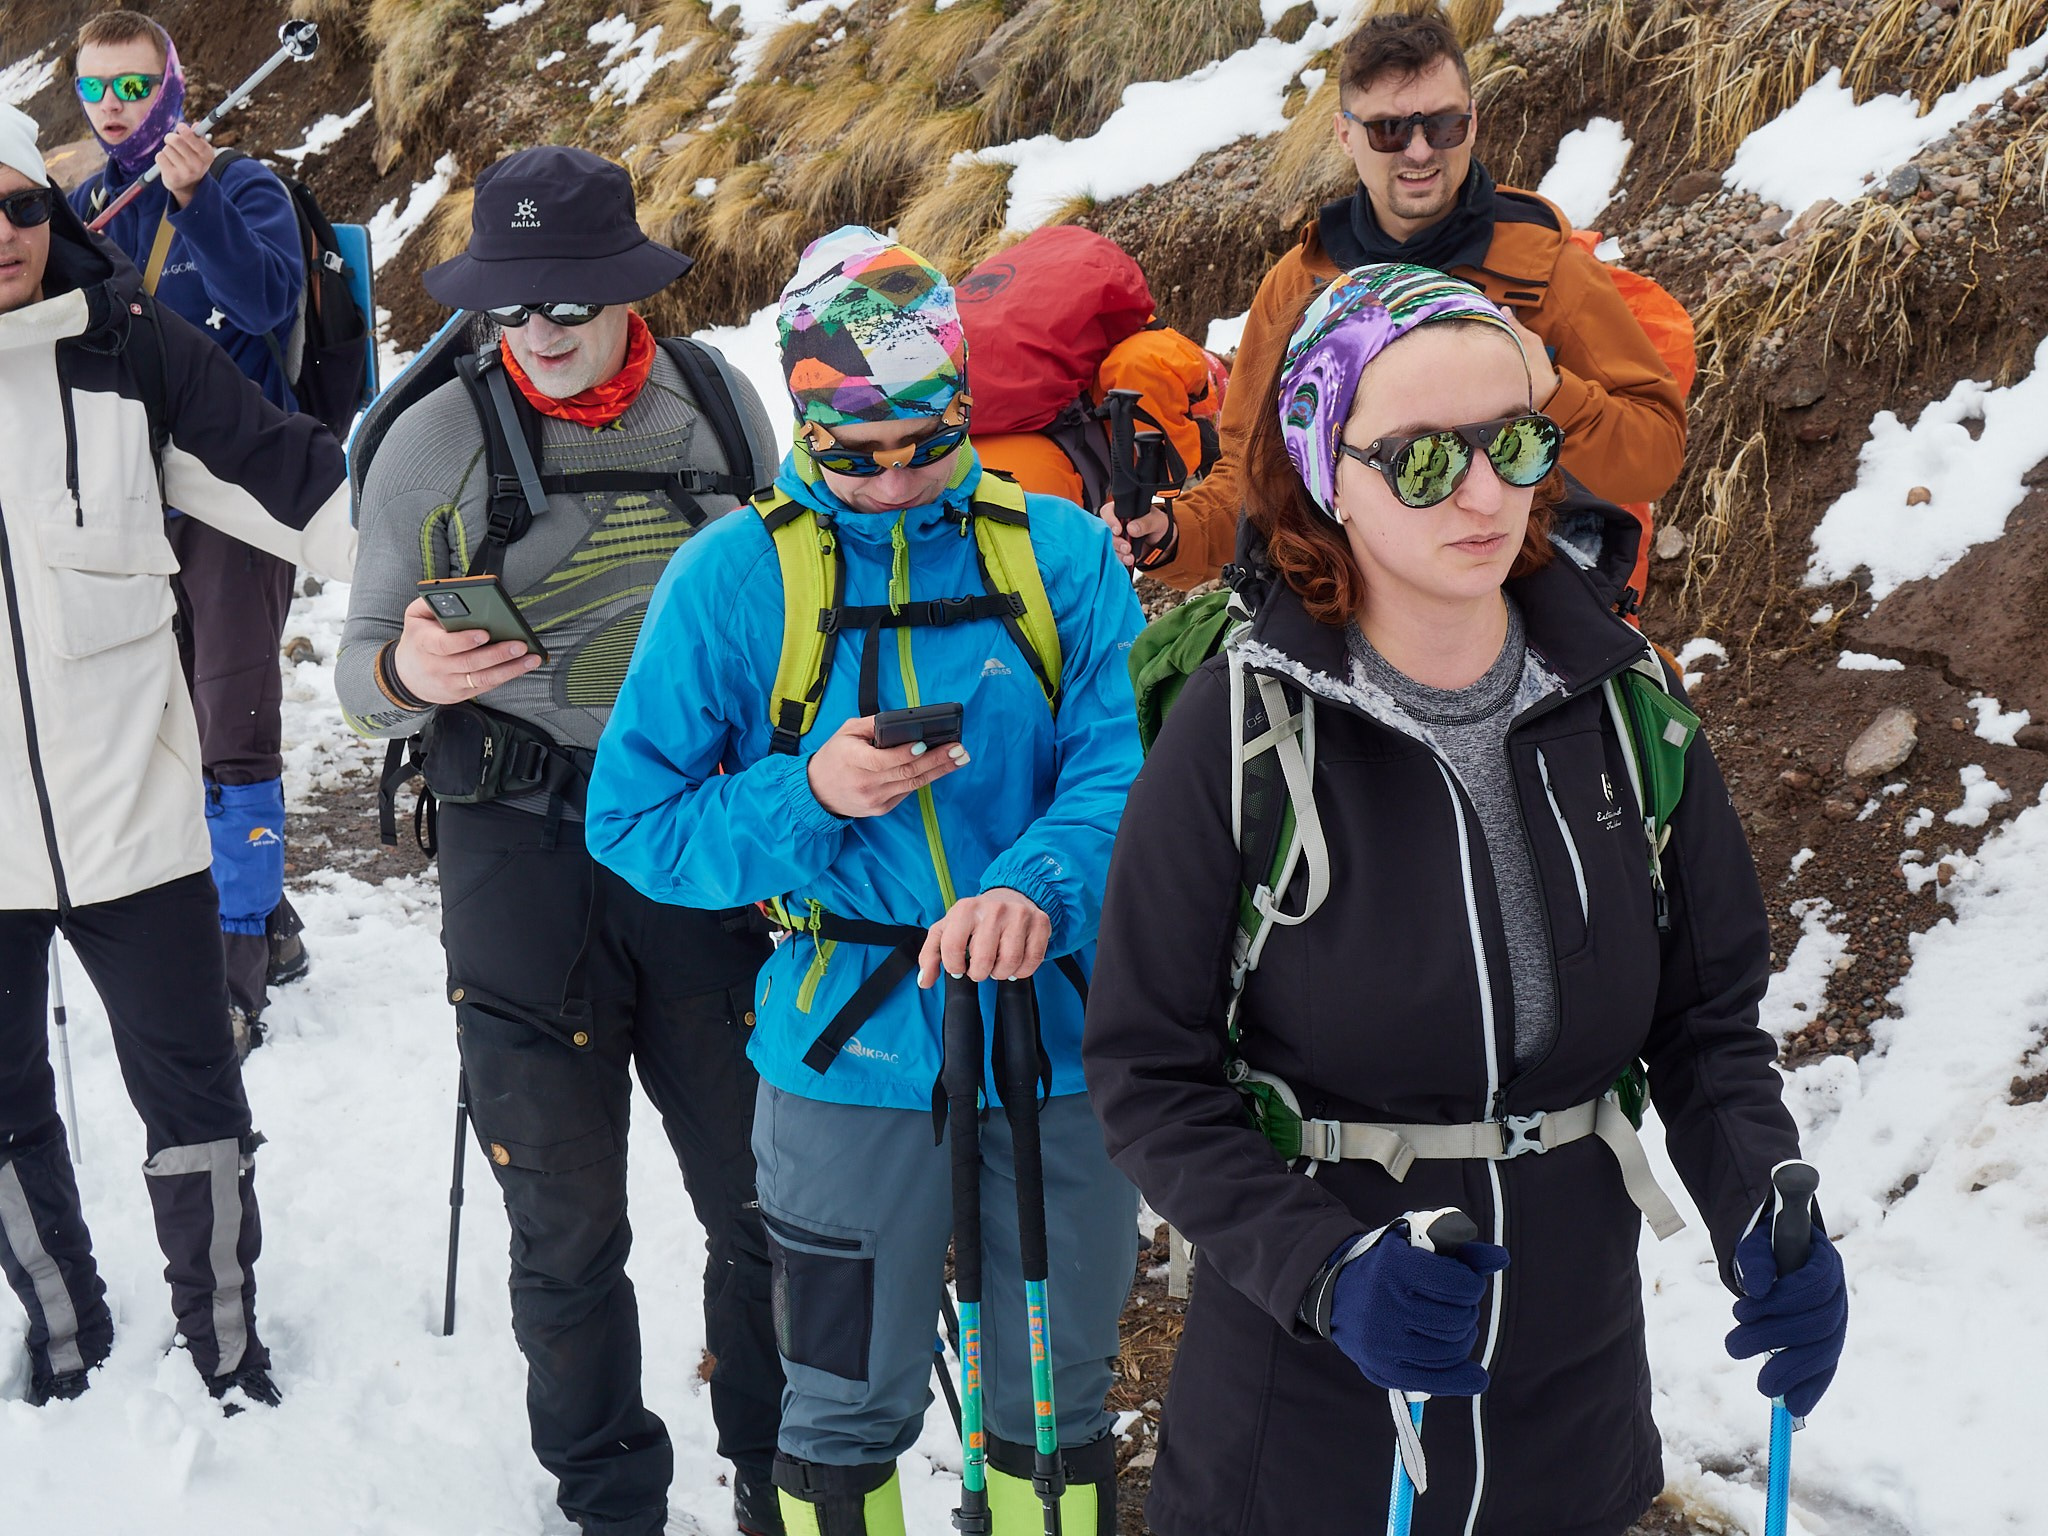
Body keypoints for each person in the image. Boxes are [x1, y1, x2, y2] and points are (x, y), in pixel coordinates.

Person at [1082, 264, 1847, 1535]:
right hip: (1311, 1420)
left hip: (1570, 1413)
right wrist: (1322, 1268)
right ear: (1326, 472)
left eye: (1516, 443)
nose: (1485, 493)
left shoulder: (1622, 704)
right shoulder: (1241, 730)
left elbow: (1704, 1025)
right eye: (1423, 460)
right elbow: (1146, 1073)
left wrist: (1761, 1206)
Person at [586, 226, 1144, 1536]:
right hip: (844, 1050)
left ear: (965, 405)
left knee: (1056, 1403)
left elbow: (1124, 772)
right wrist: (812, 795)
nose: (892, 481)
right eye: (855, 453)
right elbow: (633, 822)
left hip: (1055, 1035)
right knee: (836, 1408)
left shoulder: (1057, 556)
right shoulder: (734, 578)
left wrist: (1037, 885)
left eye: (925, 443)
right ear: (805, 425)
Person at [335, 145, 786, 1536]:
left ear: (627, 285)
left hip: (698, 844)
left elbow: (787, 595)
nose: (537, 329)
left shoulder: (718, 404)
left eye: (568, 300)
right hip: (520, 854)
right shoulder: (432, 441)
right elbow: (357, 678)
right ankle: (609, 1501)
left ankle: (780, 1475)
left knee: (763, 1198)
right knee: (566, 1223)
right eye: (511, 302)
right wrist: (409, 672)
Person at [0, 103, 354, 1411]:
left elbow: (292, 479)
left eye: (18, 204)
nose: (1, 234)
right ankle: (64, 1332)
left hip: (138, 827)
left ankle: (224, 1344)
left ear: (51, 212)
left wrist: (440, 587)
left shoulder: (132, 348)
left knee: (195, 1099)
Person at [1123, 10, 1686, 596]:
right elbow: (1255, 469)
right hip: (1344, 612)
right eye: (1389, 129)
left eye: (1443, 125)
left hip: (1530, 608)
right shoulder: (1300, 285)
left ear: (1472, 123)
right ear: (1345, 133)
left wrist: (1550, 394)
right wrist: (1174, 534)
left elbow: (1656, 453)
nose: (1419, 151)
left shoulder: (1551, 273)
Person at [69, 9, 314, 1051]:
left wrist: (197, 202)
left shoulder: (242, 188)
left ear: (171, 85)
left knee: (232, 725)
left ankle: (236, 964)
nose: (114, 105)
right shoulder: (80, 206)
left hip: (239, 498)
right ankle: (273, 920)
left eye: (134, 85)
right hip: (133, 500)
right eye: (95, 87)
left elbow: (265, 304)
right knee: (160, 720)